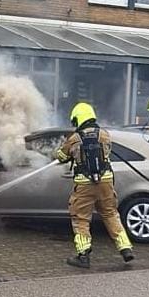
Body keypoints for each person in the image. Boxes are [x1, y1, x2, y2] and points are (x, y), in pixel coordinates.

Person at [53, 102, 134, 268]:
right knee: (111, 214)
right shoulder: (104, 135)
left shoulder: (75, 139)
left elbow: (61, 156)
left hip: (85, 184)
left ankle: (83, 256)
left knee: (81, 218)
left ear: (78, 118)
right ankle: (125, 248)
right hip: (105, 181)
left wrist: (62, 152)